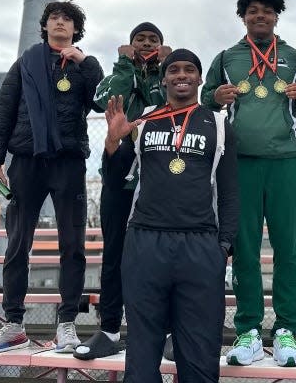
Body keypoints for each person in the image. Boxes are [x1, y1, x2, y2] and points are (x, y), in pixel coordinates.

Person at [103, 49, 239, 383]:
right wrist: (112, 140)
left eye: (189, 69)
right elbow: (116, 178)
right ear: (163, 78)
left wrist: (223, 246)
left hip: (200, 244)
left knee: (199, 351)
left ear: (200, 78)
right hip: (146, 241)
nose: (181, 75)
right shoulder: (145, 120)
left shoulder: (219, 123)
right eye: (173, 70)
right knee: (143, 349)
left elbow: (231, 191)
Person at [201, 0, 296, 368]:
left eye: (266, 10)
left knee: (289, 250)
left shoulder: (295, 55)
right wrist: (215, 97)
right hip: (240, 163)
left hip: (286, 161)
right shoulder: (227, 56)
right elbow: (204, 97)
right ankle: (248, 331)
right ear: (244, 16)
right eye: (253, 11)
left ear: (276, 15)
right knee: (245, 251)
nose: (260, 16)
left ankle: (287, 330)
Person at [0, 0, 104, 353]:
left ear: (76, 30)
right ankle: (14, 324)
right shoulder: (26, 63)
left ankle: (66, 324)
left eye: (68, 19)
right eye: (54, 18)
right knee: (17, 245)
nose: (60, 23)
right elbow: (2, 114)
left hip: (68, 162)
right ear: (45, 25)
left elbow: (103, 101)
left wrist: (86, 62)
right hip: (26, 161)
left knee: (73, 246)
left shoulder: (83, 66)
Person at [74, 22, 171, 360]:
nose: (146, 43)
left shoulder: (170, 74)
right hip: (119, 165)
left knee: (161, 252)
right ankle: (110, 328)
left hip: (159, 169)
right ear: (130, 45)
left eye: (153, 39)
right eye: (140, 39)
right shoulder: (122, 70)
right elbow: (103, 101)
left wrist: (165, 68)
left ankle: (166, 330)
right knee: (115, 252)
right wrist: (124, 65)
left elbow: (174, 105)